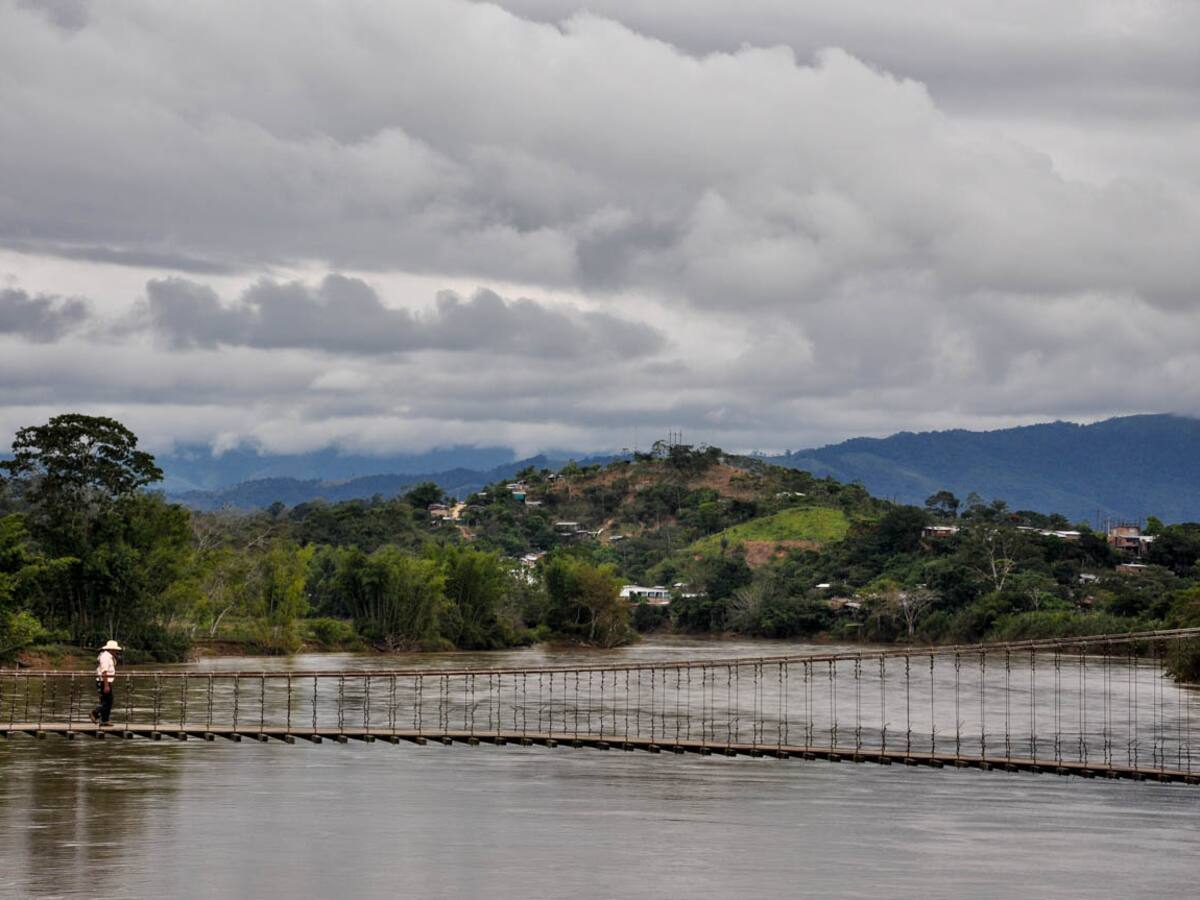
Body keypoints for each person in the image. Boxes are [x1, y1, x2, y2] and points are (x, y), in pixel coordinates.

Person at [90, 640, 122, 727]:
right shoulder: (105, 657)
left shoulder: (109, 657)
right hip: (104, 681)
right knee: (108, 701)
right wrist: (106, 685)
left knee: (107, 701)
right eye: (115, 650)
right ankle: (95, 713)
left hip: (106, 681)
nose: (117, 652)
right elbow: (104, 671)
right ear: (111, 649)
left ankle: (104, 720)